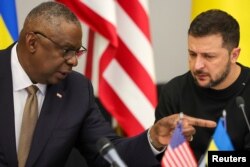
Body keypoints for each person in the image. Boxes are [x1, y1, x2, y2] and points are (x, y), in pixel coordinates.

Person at [0, 2, 216, 167]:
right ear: (32, 43)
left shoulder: (76, 89)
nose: (74, 61)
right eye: (66, 50)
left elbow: (108, 153)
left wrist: (154, 138)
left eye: (78, 52)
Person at [150, 8, 250, 161]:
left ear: (234, 55)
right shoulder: (174, 92)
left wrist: (212, 161)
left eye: (209, 56)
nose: (197, 66)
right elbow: (161, 159)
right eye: (192, 54)